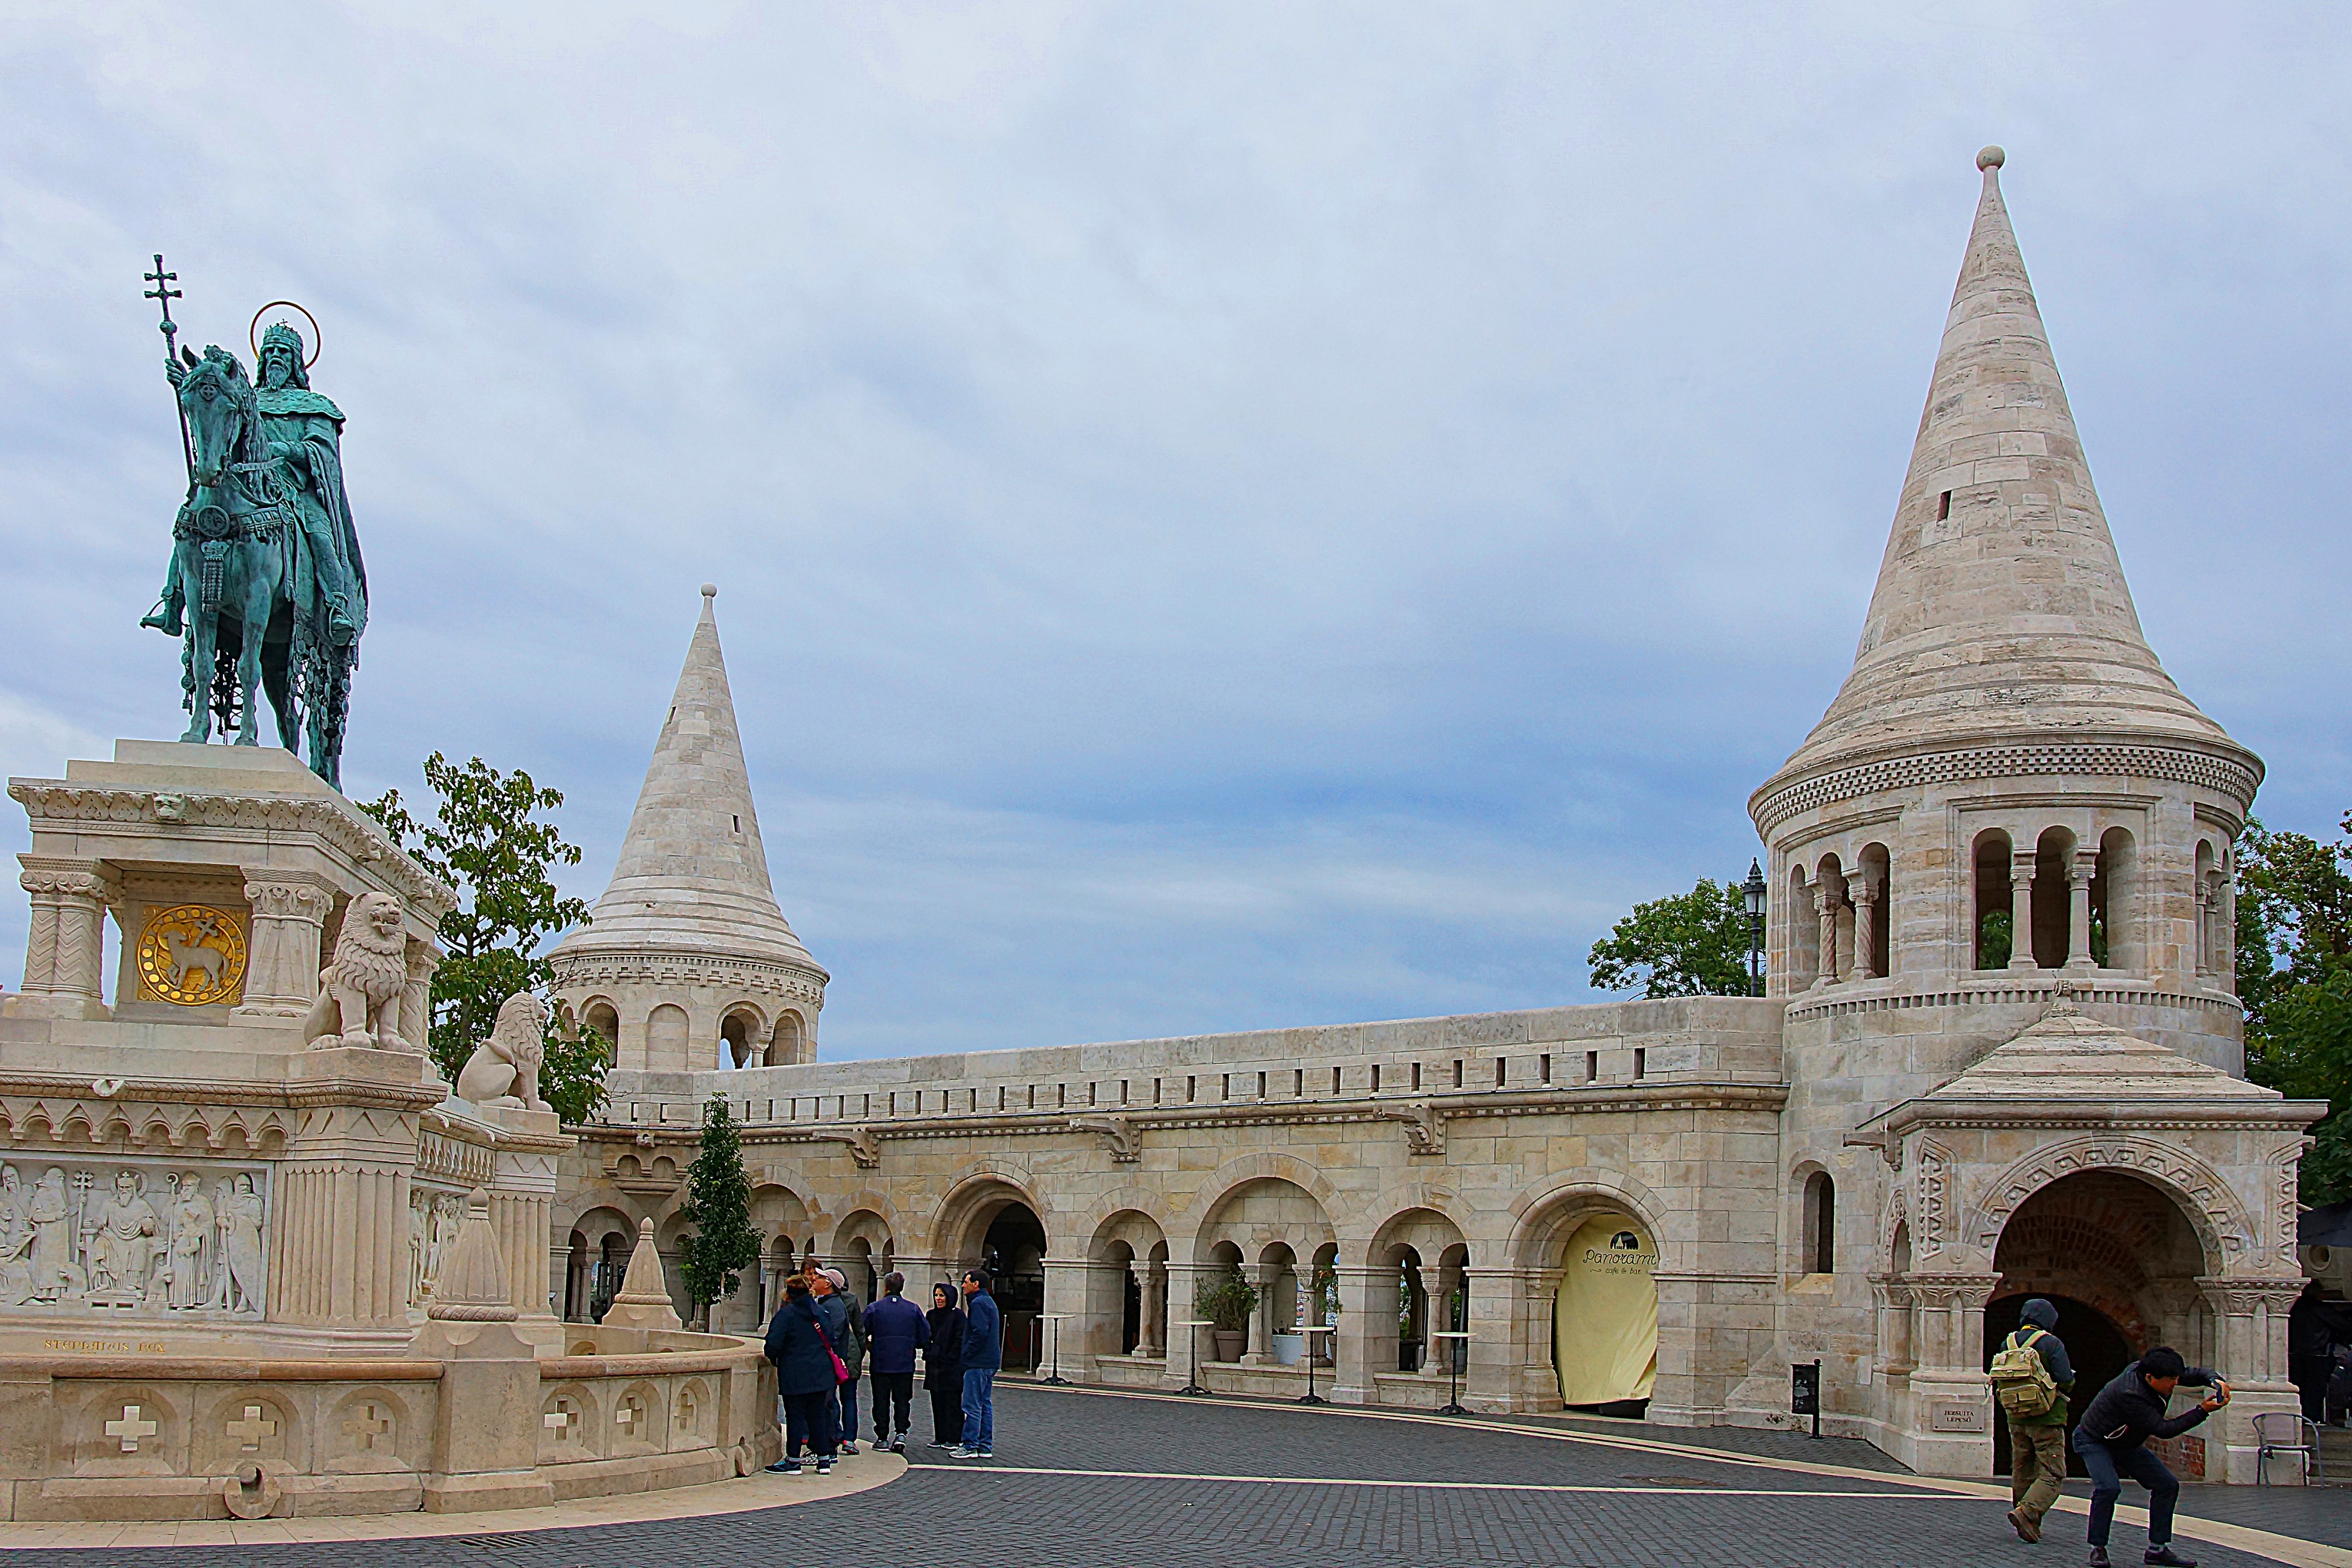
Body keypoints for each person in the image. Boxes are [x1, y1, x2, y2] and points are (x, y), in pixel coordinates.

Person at [2071, 1346, 2228, 1568]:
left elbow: (2195, 1374)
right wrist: (2202, 1410)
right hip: (2094, 1440)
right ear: (2149, 1378)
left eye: (2177, 1377)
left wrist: (2216, 1381)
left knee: (2166, 1485)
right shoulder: (2130, 1393)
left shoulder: (2159, 1370)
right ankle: (2098, 1549)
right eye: (2171, 1380)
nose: (2176, 1383)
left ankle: (2157, 1549)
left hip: (2125, 1443)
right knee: (2108, 1488)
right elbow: (2163, 1430)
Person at [1994, 1298, 2075, 1543]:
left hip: (2015, 1416)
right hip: (2047, 1417)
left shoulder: (2007, 1342)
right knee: (2052, 1471)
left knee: (2022, 1467)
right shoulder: (2052, 1343)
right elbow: (2065, 1379)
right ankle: (2027, 1512)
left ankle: (2028, 1520)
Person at [763, 1274, 842, 1475]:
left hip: (795, 1372)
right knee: (818, 1415)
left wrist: (777, 1360)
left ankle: (793, 1460)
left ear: (788, 1294)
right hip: (821, 1372)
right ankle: (824, 1460)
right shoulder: (821, 1312)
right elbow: (832, 1340)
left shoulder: (786, 1315)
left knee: (796, 1416)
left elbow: (773, 1344)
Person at [863, 1270, 929, 1452]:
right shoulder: (913, 1309)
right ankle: (901, 1433)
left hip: (881, 1361)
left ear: (885, 1287)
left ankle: (882, 1436)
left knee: (880, 1400)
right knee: (902, 1400)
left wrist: (871, 1345)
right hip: (904, 1362)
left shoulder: (874, 1308)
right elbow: (924, 1335)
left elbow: (862, 1332)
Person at [812, 1267, 868, 1453]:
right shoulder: (850, 1300)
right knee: (849, 1398)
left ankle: (834, 1436)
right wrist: (860, 1353)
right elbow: (860, 1330)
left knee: (830, 1399)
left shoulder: (830, 1304)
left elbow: (832, 1335)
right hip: (850, 1352)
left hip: (838, 1355)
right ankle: (849, 1439)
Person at [953, 1267, 1002, 1460]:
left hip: (978, 1362)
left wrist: (967, 1354)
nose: (963, 1285)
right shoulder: (987, 1301)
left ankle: (970, 1444)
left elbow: (979, 1332)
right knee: (984, 1403)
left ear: (976, 1284)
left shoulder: (978, 1303)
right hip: (989, 1360)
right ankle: (984, 1445)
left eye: (966, 1281)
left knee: (972, 1404)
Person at [924, 1281, 968, 1447]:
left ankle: (954, 1437)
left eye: (941, 1295)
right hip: (935, 1366)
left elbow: (959, 1339)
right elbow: (926, 1336)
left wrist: (949, 1357)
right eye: (936, 1295)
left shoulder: (957, 1316)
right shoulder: (931, 1315)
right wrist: (929, 1353)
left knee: (952, 1402)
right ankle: (940, 1435)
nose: (938, 1299)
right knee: (937, 1401)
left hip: (951, 1367)